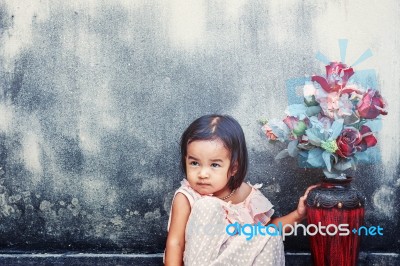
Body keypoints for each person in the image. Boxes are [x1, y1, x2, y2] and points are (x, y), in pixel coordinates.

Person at [164, 114, 316, 266]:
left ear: (234, 168)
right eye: (195, 163)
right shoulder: (187, 196)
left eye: (215, 165)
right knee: (208, 205)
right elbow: (175, 243)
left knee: (270, 236)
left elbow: (268, 233)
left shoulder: (248, 196)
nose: (203, 174)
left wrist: (298, 215)